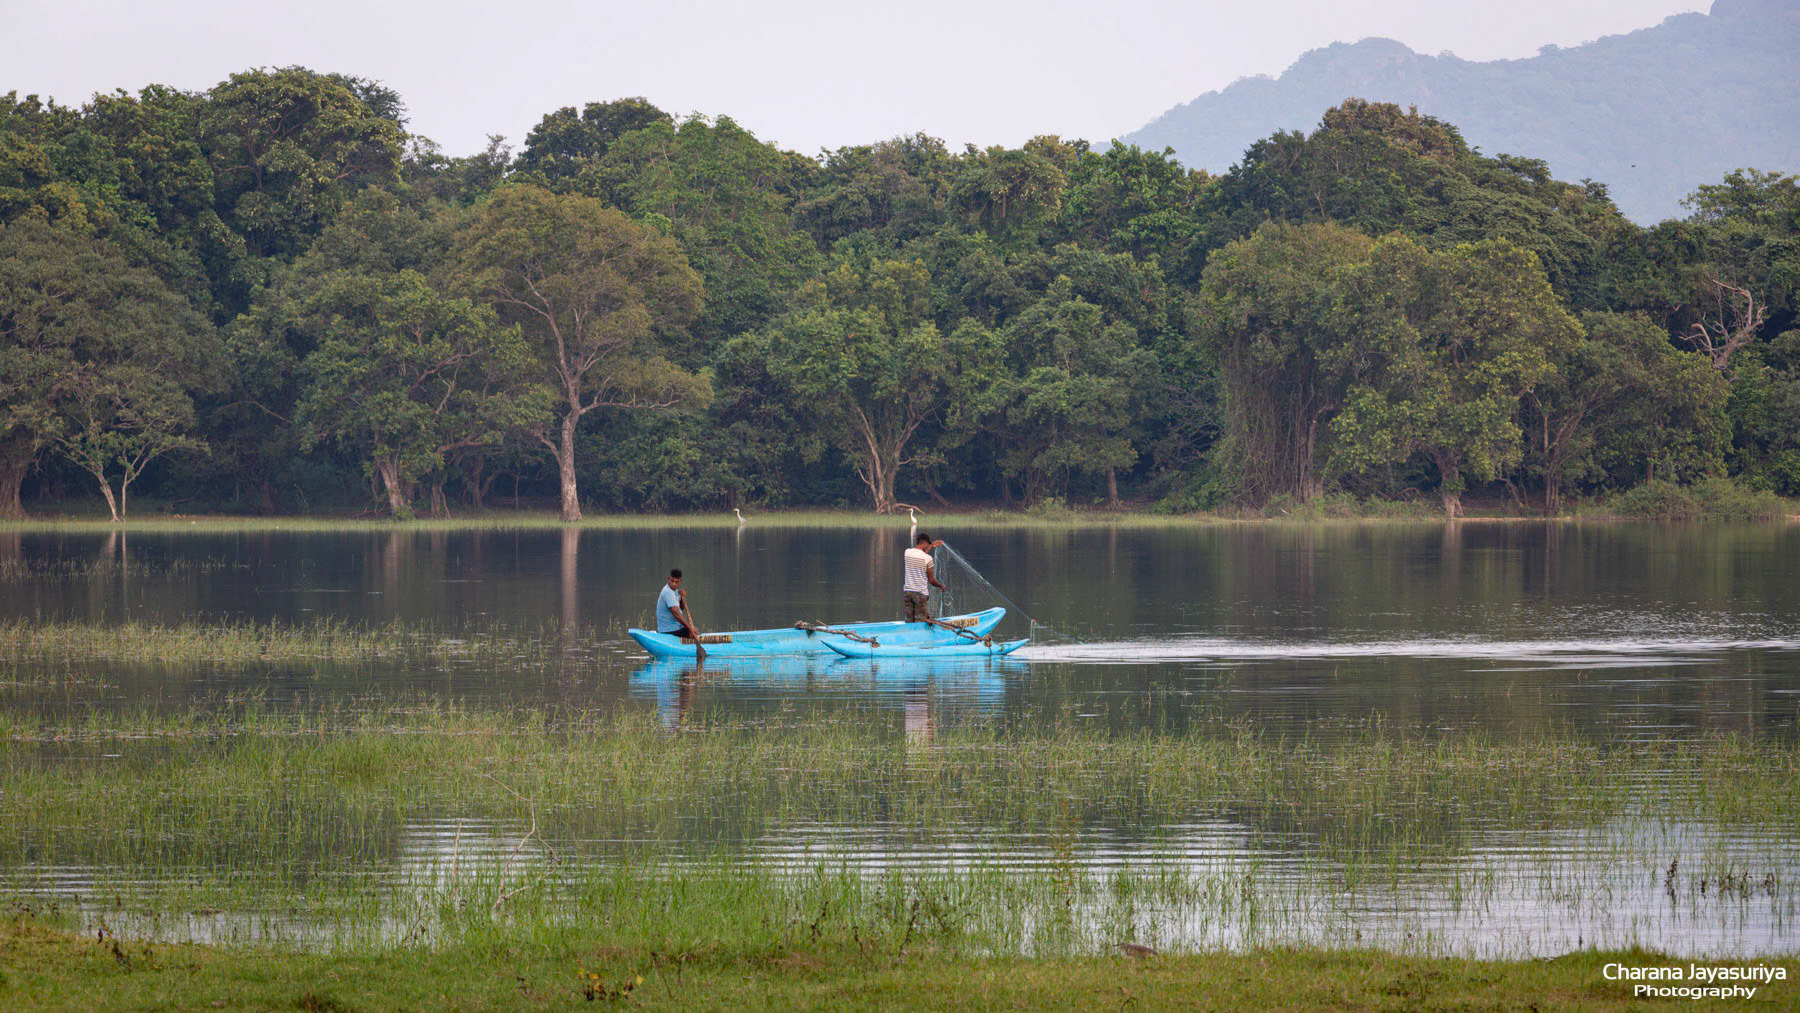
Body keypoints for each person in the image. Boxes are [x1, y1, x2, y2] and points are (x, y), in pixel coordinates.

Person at [902, 533, 947, 622]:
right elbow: (931, 581)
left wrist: (931, 545)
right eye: (927, 544)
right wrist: (941, 585)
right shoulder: (928, 558)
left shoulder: (907, 552)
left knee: (909, 621)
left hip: (908, 593)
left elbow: (920, 555)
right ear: (925, 543)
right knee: (920, 622)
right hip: (920, 594)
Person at [656, 569, 701, 640]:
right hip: (669, 630)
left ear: (680, 581)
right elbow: (676, 614)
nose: (674, 584)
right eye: (672, 581)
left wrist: (683, 598)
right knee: (694, 632)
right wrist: (690, 628)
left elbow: (680, 608)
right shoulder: (668, 592)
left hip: (676, 627)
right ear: (668, 578)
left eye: (677, 582)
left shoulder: (675, 592)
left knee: (695, 630)